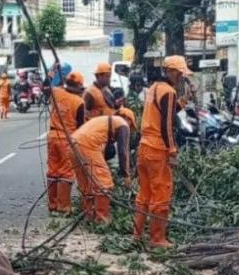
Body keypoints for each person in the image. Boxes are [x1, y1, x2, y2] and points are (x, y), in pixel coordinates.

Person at [133, 56, 188, 249]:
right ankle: (157, 239)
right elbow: (167, 124)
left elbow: (164, 113)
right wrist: (172, 151)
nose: (181, 78)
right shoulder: (169, 91)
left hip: (144, 147)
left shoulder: (155, 88)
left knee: (144, 194)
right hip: (157, 150)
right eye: (180, 74)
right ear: (172, 72)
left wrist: (184, 102)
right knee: (161, 194)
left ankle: (137, 235)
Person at [70, 115, 131, 223]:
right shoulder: (124, 125)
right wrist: (126, 175)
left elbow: (106, 150)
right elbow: (123, 152)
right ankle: (101, 218)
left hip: (73, 142)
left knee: (86, 183)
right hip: (87, 144)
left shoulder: (105, 122)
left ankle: (88, 215)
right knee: (104, 181)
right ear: (129, 120)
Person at [47, 71, 85, 214]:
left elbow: (46, 86)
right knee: (65, 173)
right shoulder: (79, 102)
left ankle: (53, 205)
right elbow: (81, 126)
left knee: (52, 171)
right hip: (67, 139)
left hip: (52, 135)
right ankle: (63, 207)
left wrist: (51, 73)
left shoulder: (56, 92)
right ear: (79, 86)